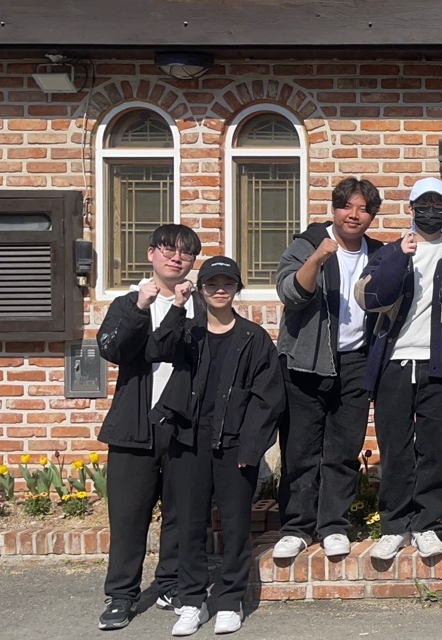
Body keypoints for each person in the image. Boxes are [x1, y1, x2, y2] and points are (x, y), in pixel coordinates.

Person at [152, 257, 284, 637]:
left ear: (237, 288)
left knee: (236, 523)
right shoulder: (187, 332)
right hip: (187, 439)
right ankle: (191, 601)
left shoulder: (253, 338)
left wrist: (251, 448)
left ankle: (229, 600)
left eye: (227, 283)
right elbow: (157, 348)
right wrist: (178, 306)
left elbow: (268, 398)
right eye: (212, 284)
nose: (220, 290)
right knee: (189, 524)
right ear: (202, 289)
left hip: (234, 442)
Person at [272, 177, 385, 561]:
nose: (354, 215)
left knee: (344, 449)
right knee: (300, 449)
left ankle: (333, 525)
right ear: (334, 208)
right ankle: (296, 528)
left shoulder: (378, 254)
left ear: (372, 215)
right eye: (346, 206)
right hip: (307, 361)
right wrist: (318, 259)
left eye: (364, 209)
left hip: (356, 362)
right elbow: (290, 293)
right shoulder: (307, 245)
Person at [94, 224, 200, 631]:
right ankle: (121, 595)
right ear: (151, 254)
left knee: (180, 512)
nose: (177, 258)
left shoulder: (199, 305)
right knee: (128, 516)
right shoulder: (128, 302)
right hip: (133, 425)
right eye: (168, 250)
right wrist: (141, 307)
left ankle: (171, 584)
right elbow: (112, 349)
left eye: (186, 253)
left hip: (183, 424)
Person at [355, 177, 442, 561]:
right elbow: (369, 297)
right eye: (424, 205)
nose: (431, 211)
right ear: (411, 208)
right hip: (395, 363)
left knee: (437, 448)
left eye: (439, 206)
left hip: (440, 364)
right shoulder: (389, 251)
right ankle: (395, 526)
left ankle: (428, 523)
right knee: (395, 447)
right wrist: (400, 255)